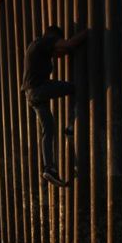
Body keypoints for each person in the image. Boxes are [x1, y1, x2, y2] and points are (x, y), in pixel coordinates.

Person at [21, 25, 87, 187]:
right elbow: (70, 44)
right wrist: (89, 32)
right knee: (75, 88)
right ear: (53, 37)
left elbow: (61, 51)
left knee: (48, 128)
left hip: (30, 95)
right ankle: (71, 126)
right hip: (38, 90)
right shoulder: (45, 41)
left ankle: (49, 167)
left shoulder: (35, 47)